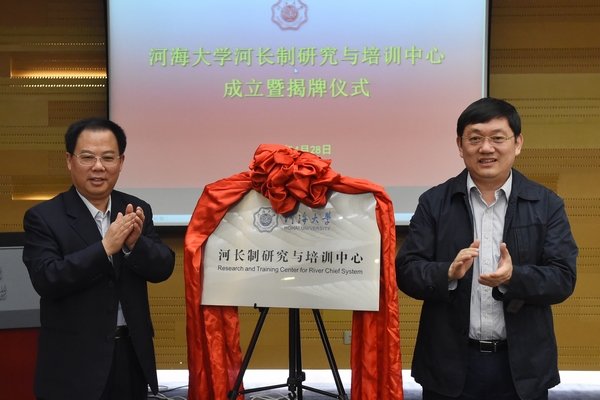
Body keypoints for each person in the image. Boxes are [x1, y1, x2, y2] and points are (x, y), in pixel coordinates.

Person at [395, 97, 578, 400]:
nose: (486, 148)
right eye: (475, 138)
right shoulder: (434, 202)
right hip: (449, 365)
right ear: (460, 145)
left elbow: (563, 278)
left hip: (522, 367)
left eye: (497, 138)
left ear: (517, 143)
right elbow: (406, 270)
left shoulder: (546, 204)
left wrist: (513, 278)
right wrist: (447, 273)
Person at [22, 117, 175, 400]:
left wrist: (134, 245)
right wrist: (104, 248)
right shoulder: (44, 217)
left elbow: (163, 267)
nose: (98, 167)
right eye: (87, 157)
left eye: (108, 157)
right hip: (73, 364)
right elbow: (47, 278)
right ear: (69, 160)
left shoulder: (135, 208)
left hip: (130, 356)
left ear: (121, 161)